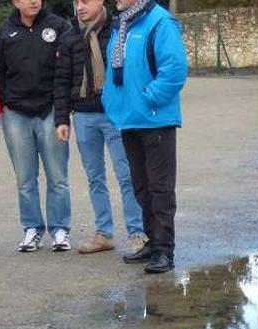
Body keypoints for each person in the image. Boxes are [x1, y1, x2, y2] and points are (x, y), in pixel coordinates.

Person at [54, 0, 146, 255]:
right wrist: (61, 119)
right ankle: (104, 233)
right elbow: (61, 81)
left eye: (85, 1)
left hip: (115, 115)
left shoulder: (119, 29)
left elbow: (131, 72)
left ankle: (137, 233)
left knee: (127, 174)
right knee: (95, 178)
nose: (79, 7)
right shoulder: (70, 37)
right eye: (76, 2)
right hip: (83, 116)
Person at [102, 0, 187, 274]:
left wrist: (148, 99)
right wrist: (112, 101)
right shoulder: (123, 22)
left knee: (160, 187)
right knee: (141, 185)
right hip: (129, 119)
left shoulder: (160, 22)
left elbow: (174, 69)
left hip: (155, 119)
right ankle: (151, 242)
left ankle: (165, 250)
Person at [0, 0, 71, 253]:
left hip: (50, 111)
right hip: (16, 114)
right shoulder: (5, 32)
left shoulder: (59, 27)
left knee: (57, 176)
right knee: (25, 178)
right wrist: (5, 102)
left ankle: (60, 230)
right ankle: (32, 229)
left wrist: (62, 112)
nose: (33, 1)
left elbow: (66, 70)